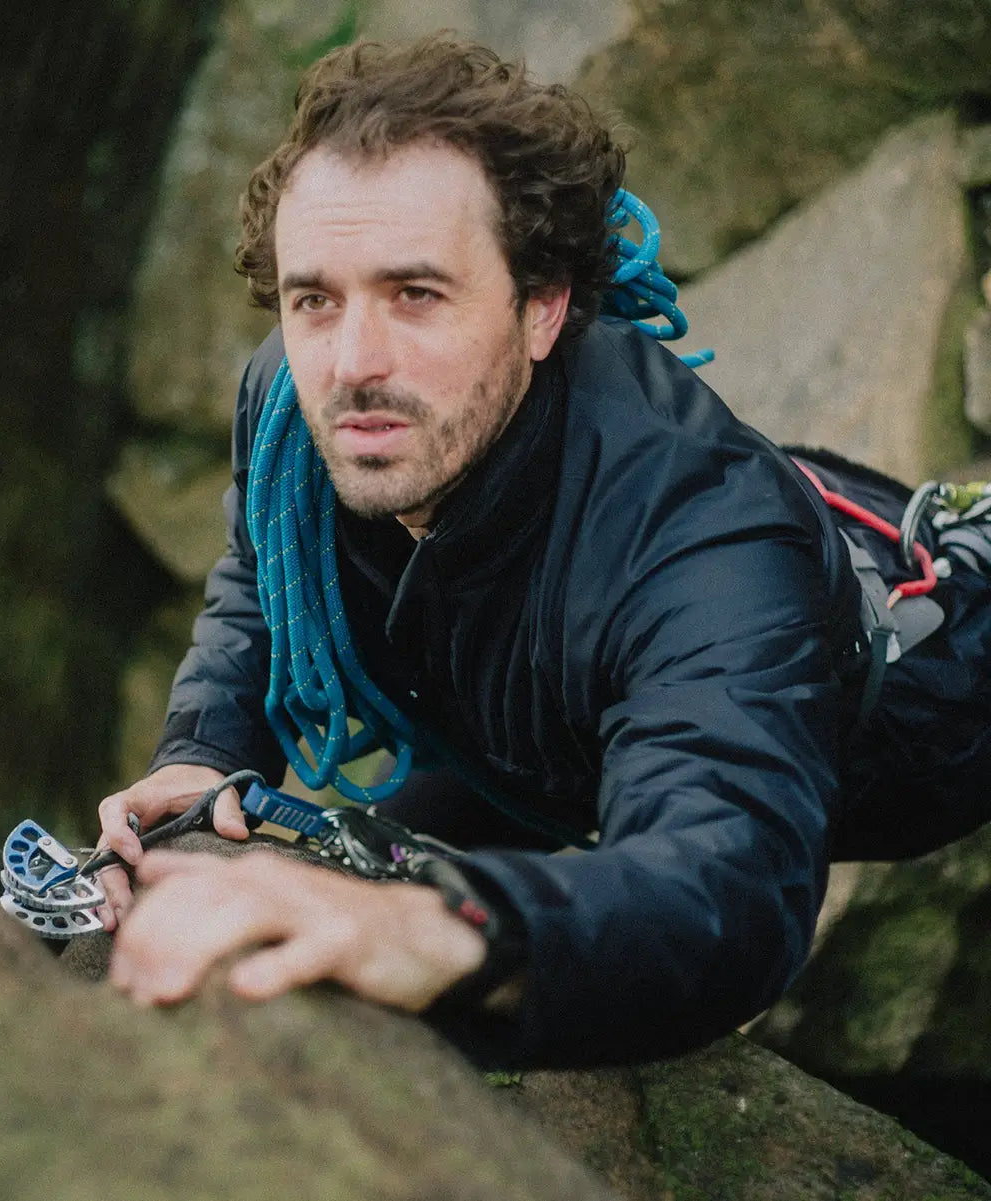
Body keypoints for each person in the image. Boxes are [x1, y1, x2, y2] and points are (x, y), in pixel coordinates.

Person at [94, 35, 991, 1068]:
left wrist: (435, 934)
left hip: (920, 680)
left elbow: (728, 883)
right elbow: (266, 570)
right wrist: (204, 748)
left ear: (544, 305)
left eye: (417, 293)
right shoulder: (302, 404)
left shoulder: (710, 546)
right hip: (526, 707)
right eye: (316, 298)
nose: (352, 361)